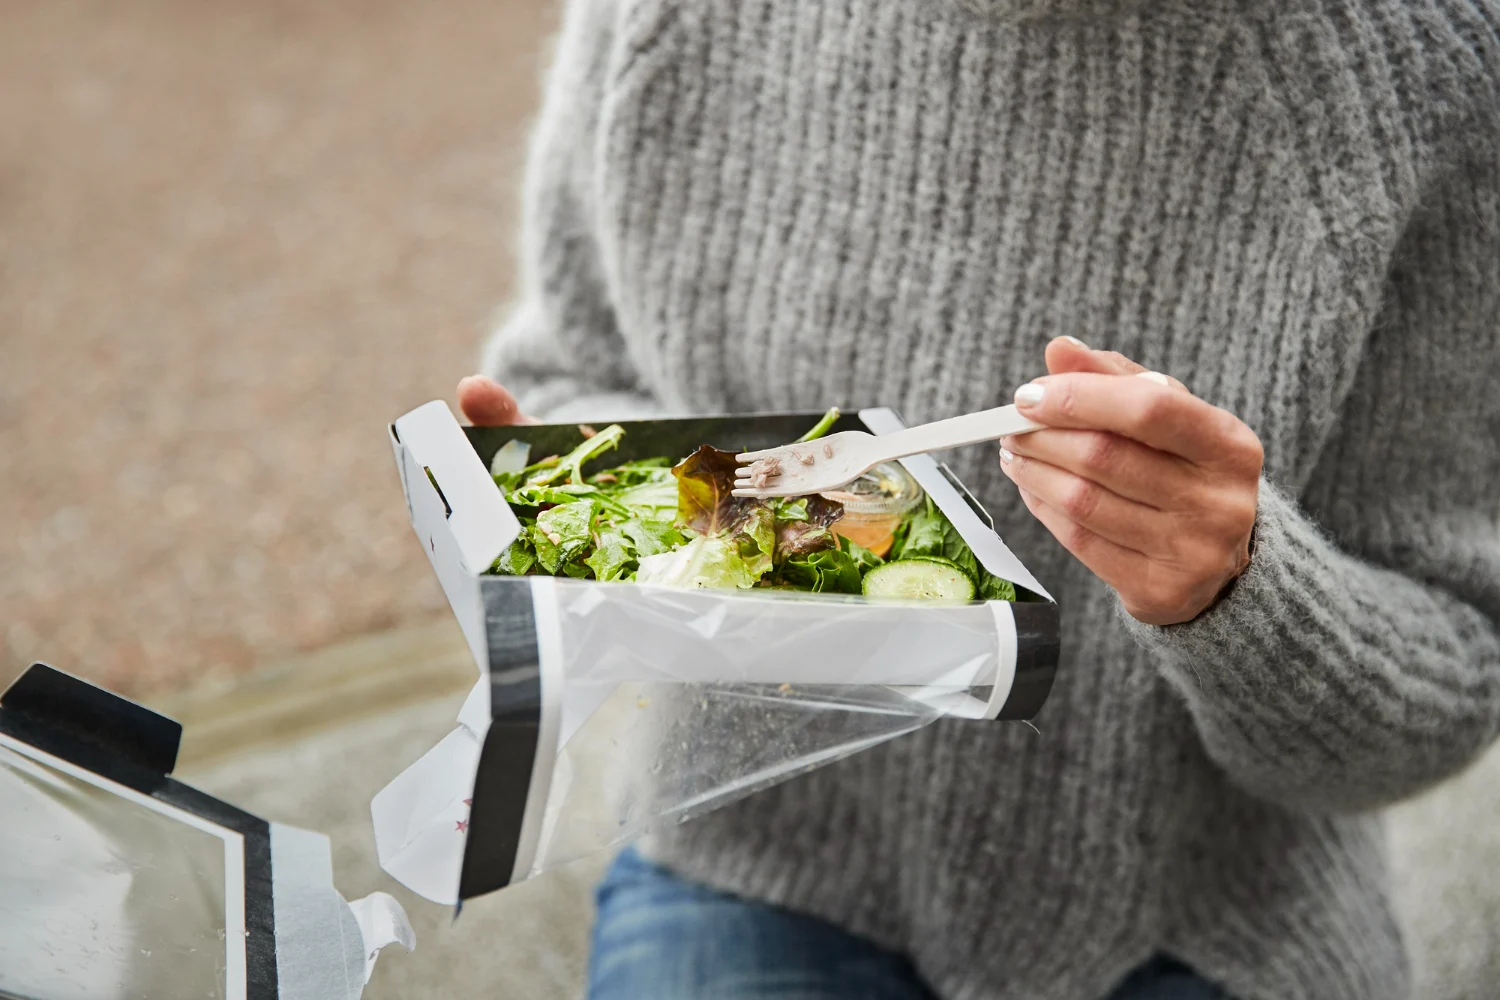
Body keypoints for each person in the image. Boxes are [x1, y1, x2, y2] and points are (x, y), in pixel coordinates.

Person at [456, 0, 1500, 997]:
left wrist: (1241, 592)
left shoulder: (1417, 61)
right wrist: (587, 504)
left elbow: (1450, 668)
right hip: (749, 843)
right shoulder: (671, 21)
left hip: (1207, 913)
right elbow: (564, 376)